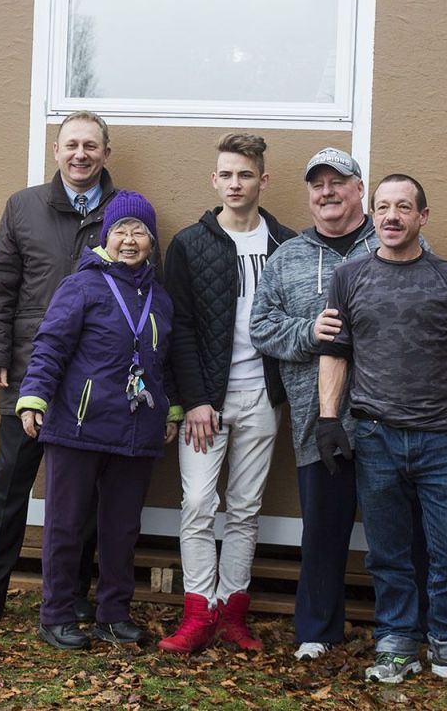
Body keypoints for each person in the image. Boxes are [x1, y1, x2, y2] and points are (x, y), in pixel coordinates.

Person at [250, 147, 447, 662]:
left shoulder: (397, 238)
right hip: (322, 418)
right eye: (318, 185)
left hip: (400, 420)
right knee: (324, 530)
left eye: (339, 182)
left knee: (411, 535)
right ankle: (317, 630)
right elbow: (261, 328)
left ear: (361, 190)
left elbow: (437, 292)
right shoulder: (287, 255)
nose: (328, 192)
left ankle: (417, 632)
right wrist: (307, 332)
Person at [316, 174, 447, 683]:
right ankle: (396, 645)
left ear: (422, 217)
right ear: (373, 211)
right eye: (383, 206)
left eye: (403, 207)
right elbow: (335, 353)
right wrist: (326, 419)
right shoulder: (350, 275)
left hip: (440, 439)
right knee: (387, 555)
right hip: (375, 436)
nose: (391, 216)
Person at [0, 111, 137, 629]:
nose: (81, 154)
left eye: (91, 146)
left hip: (94, 384)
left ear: (106, 153)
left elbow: (142, 295)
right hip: (29, 374)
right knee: (10, 486)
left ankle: (75, 595)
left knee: (82, 495)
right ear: (56, 151)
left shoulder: (126, 214)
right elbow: (0, 287)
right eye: (72, 144)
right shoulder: (23, 207)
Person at [15, 191, 181, 649]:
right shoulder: (82, 285)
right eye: (121, 231)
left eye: (140, 232)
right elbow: (50, 345)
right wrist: (33, 398)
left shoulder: (160, 299)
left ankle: (113, 614)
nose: (130, 240)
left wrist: (171, 408)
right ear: (106, 237)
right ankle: (57, 614)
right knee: (66, 525)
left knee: (122, 529)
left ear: (152, 240)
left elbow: (164, 362)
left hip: (136, 430)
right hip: (78, 425)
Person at [158, 134, 295, 654]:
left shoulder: (287, 244)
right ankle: (198, 612)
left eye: (245, 174)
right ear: (214, 180)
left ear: (263, 179)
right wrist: (195, 399)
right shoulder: (192, 243)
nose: (235, 183)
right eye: (226, 175)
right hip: (207, 401)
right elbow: (181, 327)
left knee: (244, 507)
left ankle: (232, 613)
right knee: (197, 503)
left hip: (263, 396)